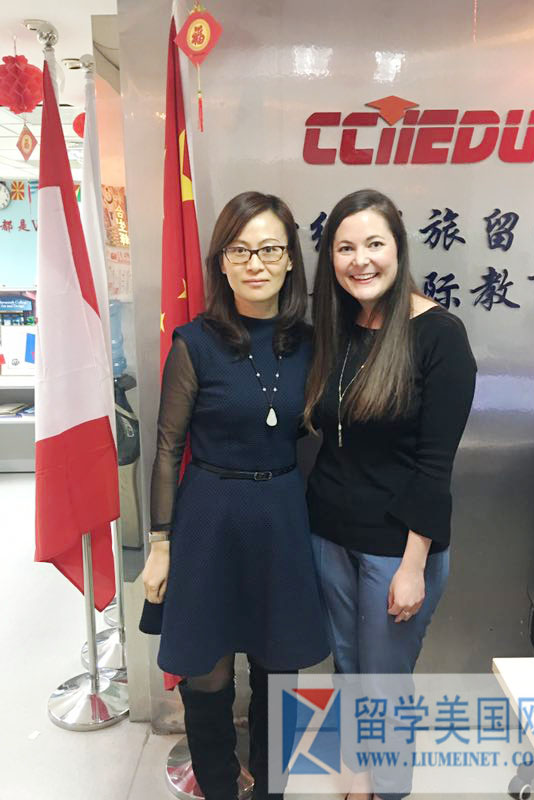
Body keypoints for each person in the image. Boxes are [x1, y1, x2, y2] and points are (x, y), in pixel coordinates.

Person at [142, 191, 330, 800]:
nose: (255, 263)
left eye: (269, 249)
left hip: (281, 518)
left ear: (290, 259)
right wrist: (161, 543)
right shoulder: (194, 343)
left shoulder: (311, 343)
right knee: (207, 673)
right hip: (209, 518)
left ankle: (273, 788)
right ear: (221, 262)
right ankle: (220, 786)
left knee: (279, 671)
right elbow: (168, 447)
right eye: (240, 250)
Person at [304, 189, 477, 800]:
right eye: (345, 248)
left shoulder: (439, 335)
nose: (361, 260)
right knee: (348, 668)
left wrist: (413, 564)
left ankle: (390, 787)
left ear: (399, 250)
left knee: (384, 682)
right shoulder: (337, 328)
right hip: (329, 532)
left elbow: (435, 465)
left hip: (396, 547)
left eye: (374, 244)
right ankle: (359, 777)